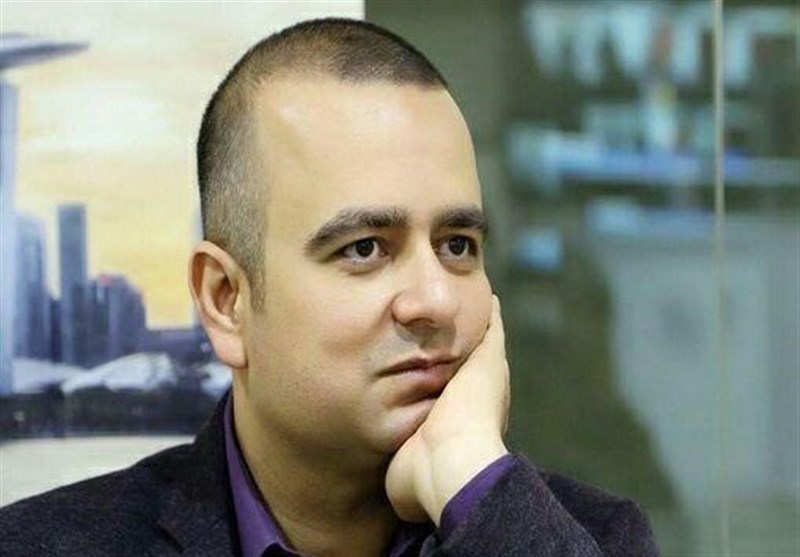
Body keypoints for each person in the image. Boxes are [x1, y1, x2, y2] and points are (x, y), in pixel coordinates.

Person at [0, 18, 660, 557]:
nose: (434, 301)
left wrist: (465, 472)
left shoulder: (590, 537)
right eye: (365, 248)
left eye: (457, 244)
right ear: (227, 301)